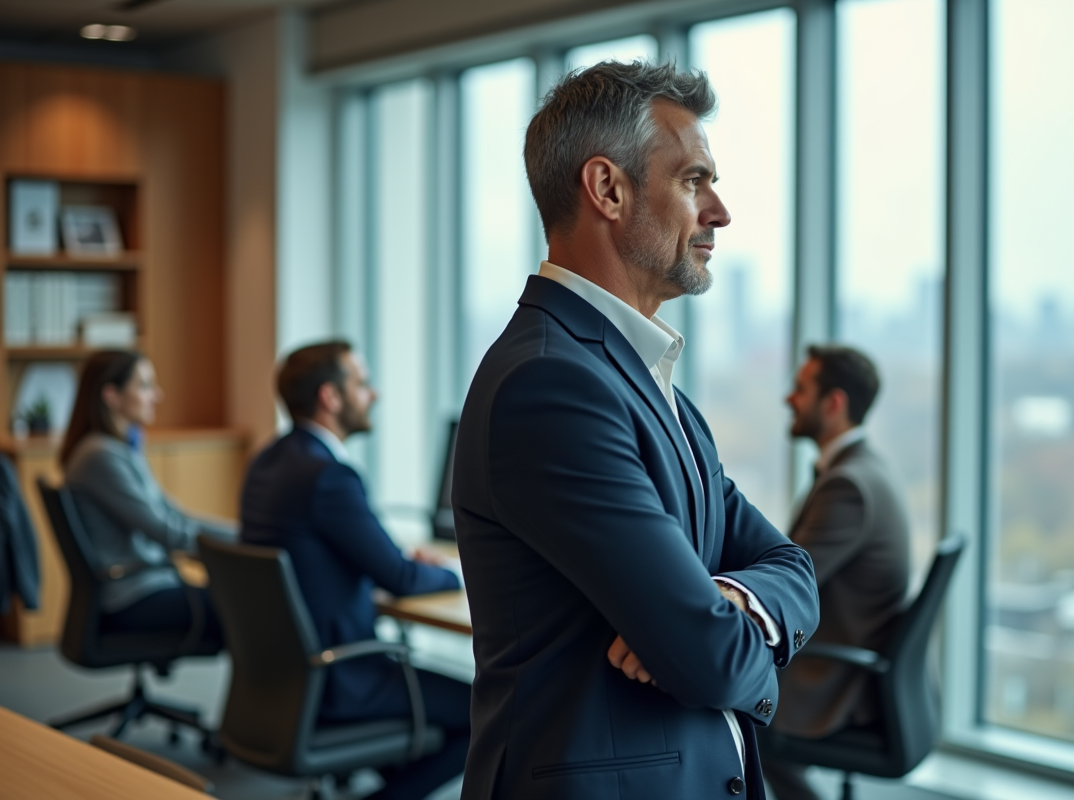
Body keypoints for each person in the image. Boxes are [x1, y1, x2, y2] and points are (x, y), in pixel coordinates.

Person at [452, 61, 820, 800]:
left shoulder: (656, 387)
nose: (718, 212)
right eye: (693, 181)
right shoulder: (550, 385)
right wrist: (707, 628)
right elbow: (707, 657)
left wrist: (738, 601)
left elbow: (792, 565)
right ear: (608, 190)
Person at [239, 341, 469, 800]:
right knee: (488, 710)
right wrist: (452, 574)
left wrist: (393, 562)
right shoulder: (329, 478)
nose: (374, 394)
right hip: (340, 678)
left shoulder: (270, 460)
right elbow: (400, 579)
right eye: (362, 383)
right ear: (330, 397)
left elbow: (331, 555)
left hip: (277, 678)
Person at [760, 345, 911, 800]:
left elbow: (789, 583)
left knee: (732, 706)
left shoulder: (847, 486)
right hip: (853, 657)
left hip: (835, 677)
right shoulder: (865, 468)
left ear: (834, 403)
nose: (789, 398)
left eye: (801, 388)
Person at [60, 350, 233, 651]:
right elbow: (164, 530)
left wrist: (240, 534)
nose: (158, 395)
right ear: (111, 395)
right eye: (145, 385)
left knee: (246, 604)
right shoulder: (101, 456)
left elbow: (172, 514)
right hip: (132, 595)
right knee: (250, 610)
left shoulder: (119, 450)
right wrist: (239, 545)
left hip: (144, 585)